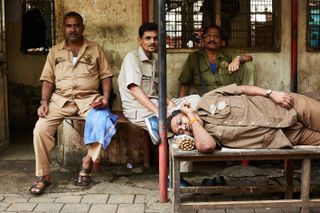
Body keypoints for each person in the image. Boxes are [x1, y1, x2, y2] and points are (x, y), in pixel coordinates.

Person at [29, 12, 115, 195]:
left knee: (103, 121)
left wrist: (105, 98)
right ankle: (44, 176)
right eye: (68, 26)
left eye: (76, 25)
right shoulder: (54, 52)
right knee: (40, 130)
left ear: (82, 27)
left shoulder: (95, 49)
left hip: (89, 100)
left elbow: (106, 76)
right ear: (64, 29)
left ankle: (86, 162)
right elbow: (47, 80)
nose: (72, 29)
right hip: (60, 101)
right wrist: (44, 102)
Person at [118, 22, 199, 187]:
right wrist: (157, 111)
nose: (152, 42)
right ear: (140, 40)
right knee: (180, 126)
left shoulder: (153, 59)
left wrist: (170, 103)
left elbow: (157, 89)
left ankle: (161, 121)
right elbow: (134, 89)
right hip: (137, 106)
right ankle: (175, 178)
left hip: (155, 102)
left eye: (155, 38)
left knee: (196, 100)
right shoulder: (132, 58)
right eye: (147, 38)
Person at [168, 83, 320, 153]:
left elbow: (242, 89)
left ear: (185, 108)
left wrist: (271, 93)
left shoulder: (208, 99)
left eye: (180, 122)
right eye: (180, 131)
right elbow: (206, 147)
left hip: (290, 106)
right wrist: (190, 118)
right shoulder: (209, 137)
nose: (183, 127)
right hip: (288, 136)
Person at [178, 25, 256, 97]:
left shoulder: (228, 54)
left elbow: (249, 57)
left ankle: (248, 101)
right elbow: (185, 84)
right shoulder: (194, 57)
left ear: (222, 41)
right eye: (208, 36)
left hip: (229, 96)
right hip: (206, 99)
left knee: (249, 65)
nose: (212, 39)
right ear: (203, 39)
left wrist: (238, 58)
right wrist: (180, 105)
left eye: (216, 36)